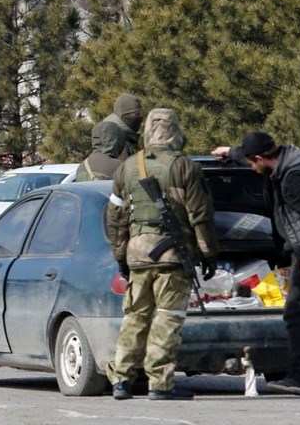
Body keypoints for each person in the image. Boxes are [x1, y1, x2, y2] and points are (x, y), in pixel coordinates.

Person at [212, 132, 300, 398]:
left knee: (297, 312)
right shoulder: (286, 161)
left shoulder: (295, 177)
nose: (250, 168)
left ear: (261, 158)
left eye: (250, 163)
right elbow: (253, 156)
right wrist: (232, 152)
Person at [106, 109, 218, 401]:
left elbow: (115, 218)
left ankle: (121, 381)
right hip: (172, 256)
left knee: (135, 317)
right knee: (168, 317)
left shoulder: (127, 168)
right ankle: (160, 383)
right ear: (176, 131)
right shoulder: (185, 167)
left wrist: (120, 255)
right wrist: (208, 254)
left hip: (136, 255)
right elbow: (200, 216)